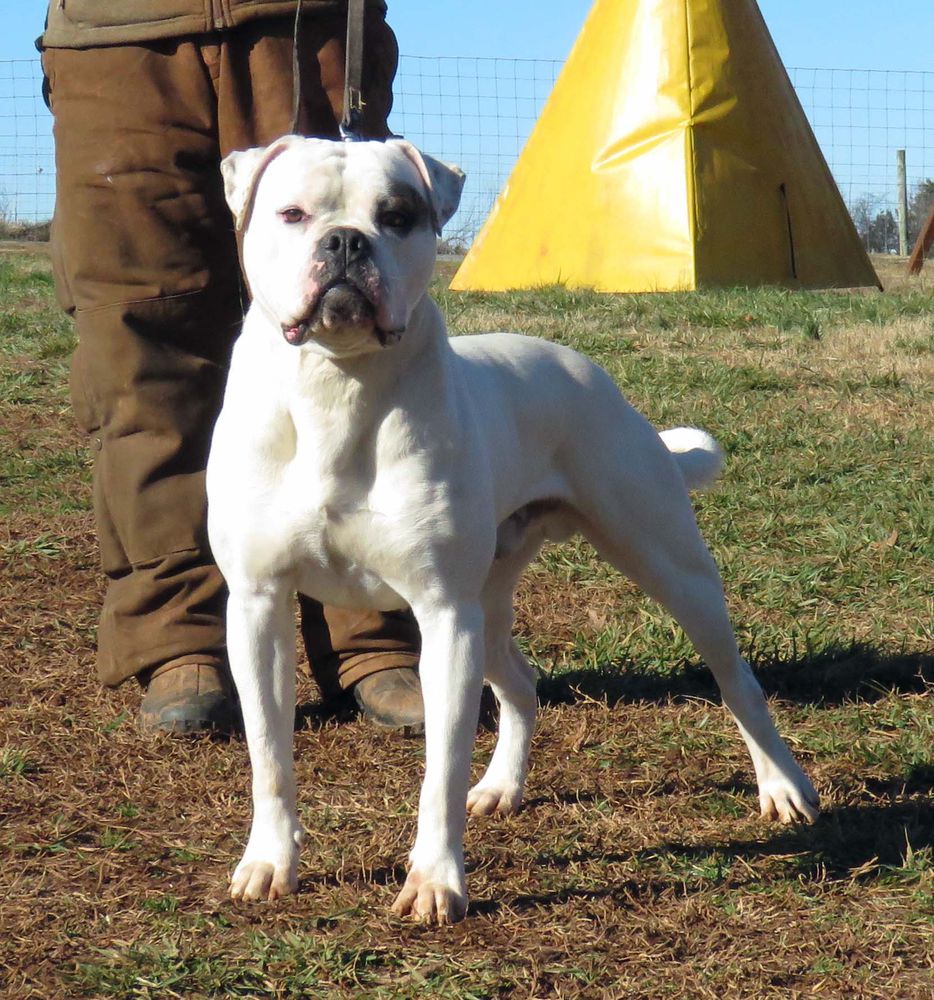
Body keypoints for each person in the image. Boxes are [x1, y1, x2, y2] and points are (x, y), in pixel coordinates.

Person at [39, 0, 424, 734]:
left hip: (305, 20)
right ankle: (178, 639)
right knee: (138, 342)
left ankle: (375, 634)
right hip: (118, 33)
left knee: (357, 343)